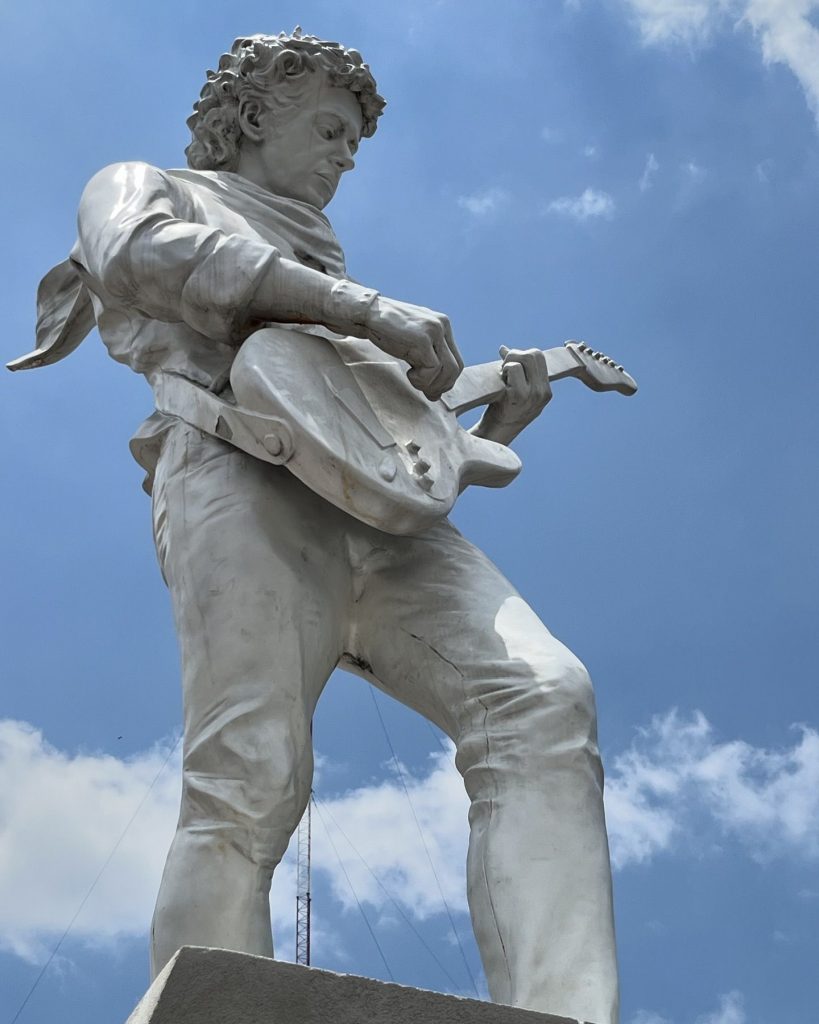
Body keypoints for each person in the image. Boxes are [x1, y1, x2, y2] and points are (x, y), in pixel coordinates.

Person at [14, 30, 619, 1024]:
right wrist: (362, 307)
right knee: (248, 771)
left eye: (354, 141)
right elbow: (136, 254)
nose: (345, 154)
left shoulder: (330, 278)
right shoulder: (143, 184)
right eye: (330, 128)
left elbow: (382, 454)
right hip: (232, 468)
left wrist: (492, 423)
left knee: (543, 696)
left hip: (379, 524)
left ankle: (566, 1008)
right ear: (255, 115)